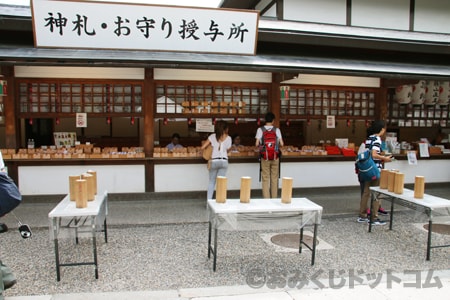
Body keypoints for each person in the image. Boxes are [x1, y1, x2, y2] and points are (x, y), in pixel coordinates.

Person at [357, 120, 392, 225]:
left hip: (367, 169)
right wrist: (384, 158)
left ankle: (362, 215)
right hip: (375, 169)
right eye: (384, 129)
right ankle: (374, 218)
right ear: (381, 129)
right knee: (376, 193)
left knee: (366, 193)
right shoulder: (377, 139)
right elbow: (374, 154)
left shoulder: (369, 138)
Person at [255, 112, 284, 198]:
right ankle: (274, 198)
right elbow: (282, 144)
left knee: (265, 178)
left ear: (265, 120)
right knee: (274, 178)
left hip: (265, 157)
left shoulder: (260, 130)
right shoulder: (277, 130)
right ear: (273, 120)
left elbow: (257, 144)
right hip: (275, 157)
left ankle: (266, 200)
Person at [201, 120, 232, 200]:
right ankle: (220, 201)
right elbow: (228, 150)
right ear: (225, 129)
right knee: (221, 183)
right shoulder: (229, 138)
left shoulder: (212, 136)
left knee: (212, 182)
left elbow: (203, 147)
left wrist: (211, 146)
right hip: (224, 161)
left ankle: (209, 202)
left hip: (214, 161)